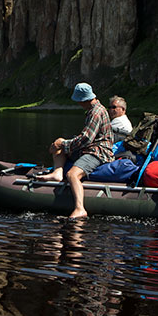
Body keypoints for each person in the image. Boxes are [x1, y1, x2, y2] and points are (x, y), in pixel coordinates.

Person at [36, 82, 114, 219]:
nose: (79, 104)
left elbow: (86, 139)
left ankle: (80, 208)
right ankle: (58, 173)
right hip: (89, 148)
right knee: (59, 142)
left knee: (73, 174)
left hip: (98, 152)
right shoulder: (93, 110)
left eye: (79, 101)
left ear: (84, 99)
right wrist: (61, 144)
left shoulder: (96, 113)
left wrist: (64, 144)